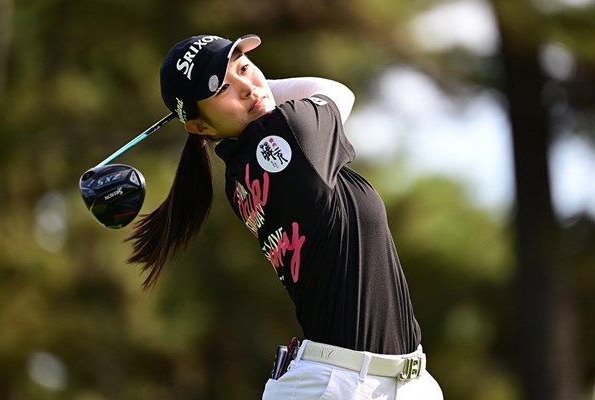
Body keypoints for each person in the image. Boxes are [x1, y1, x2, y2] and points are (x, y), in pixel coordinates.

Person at [126, 33, 443, 399]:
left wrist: (245, 90)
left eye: (244, 67)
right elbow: (336, 91)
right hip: (344, 384)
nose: (246, 87)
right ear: (199, 127)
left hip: (381, 382)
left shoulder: (238, 176)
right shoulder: (285, 137)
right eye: (223, 88)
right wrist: (266, 87)